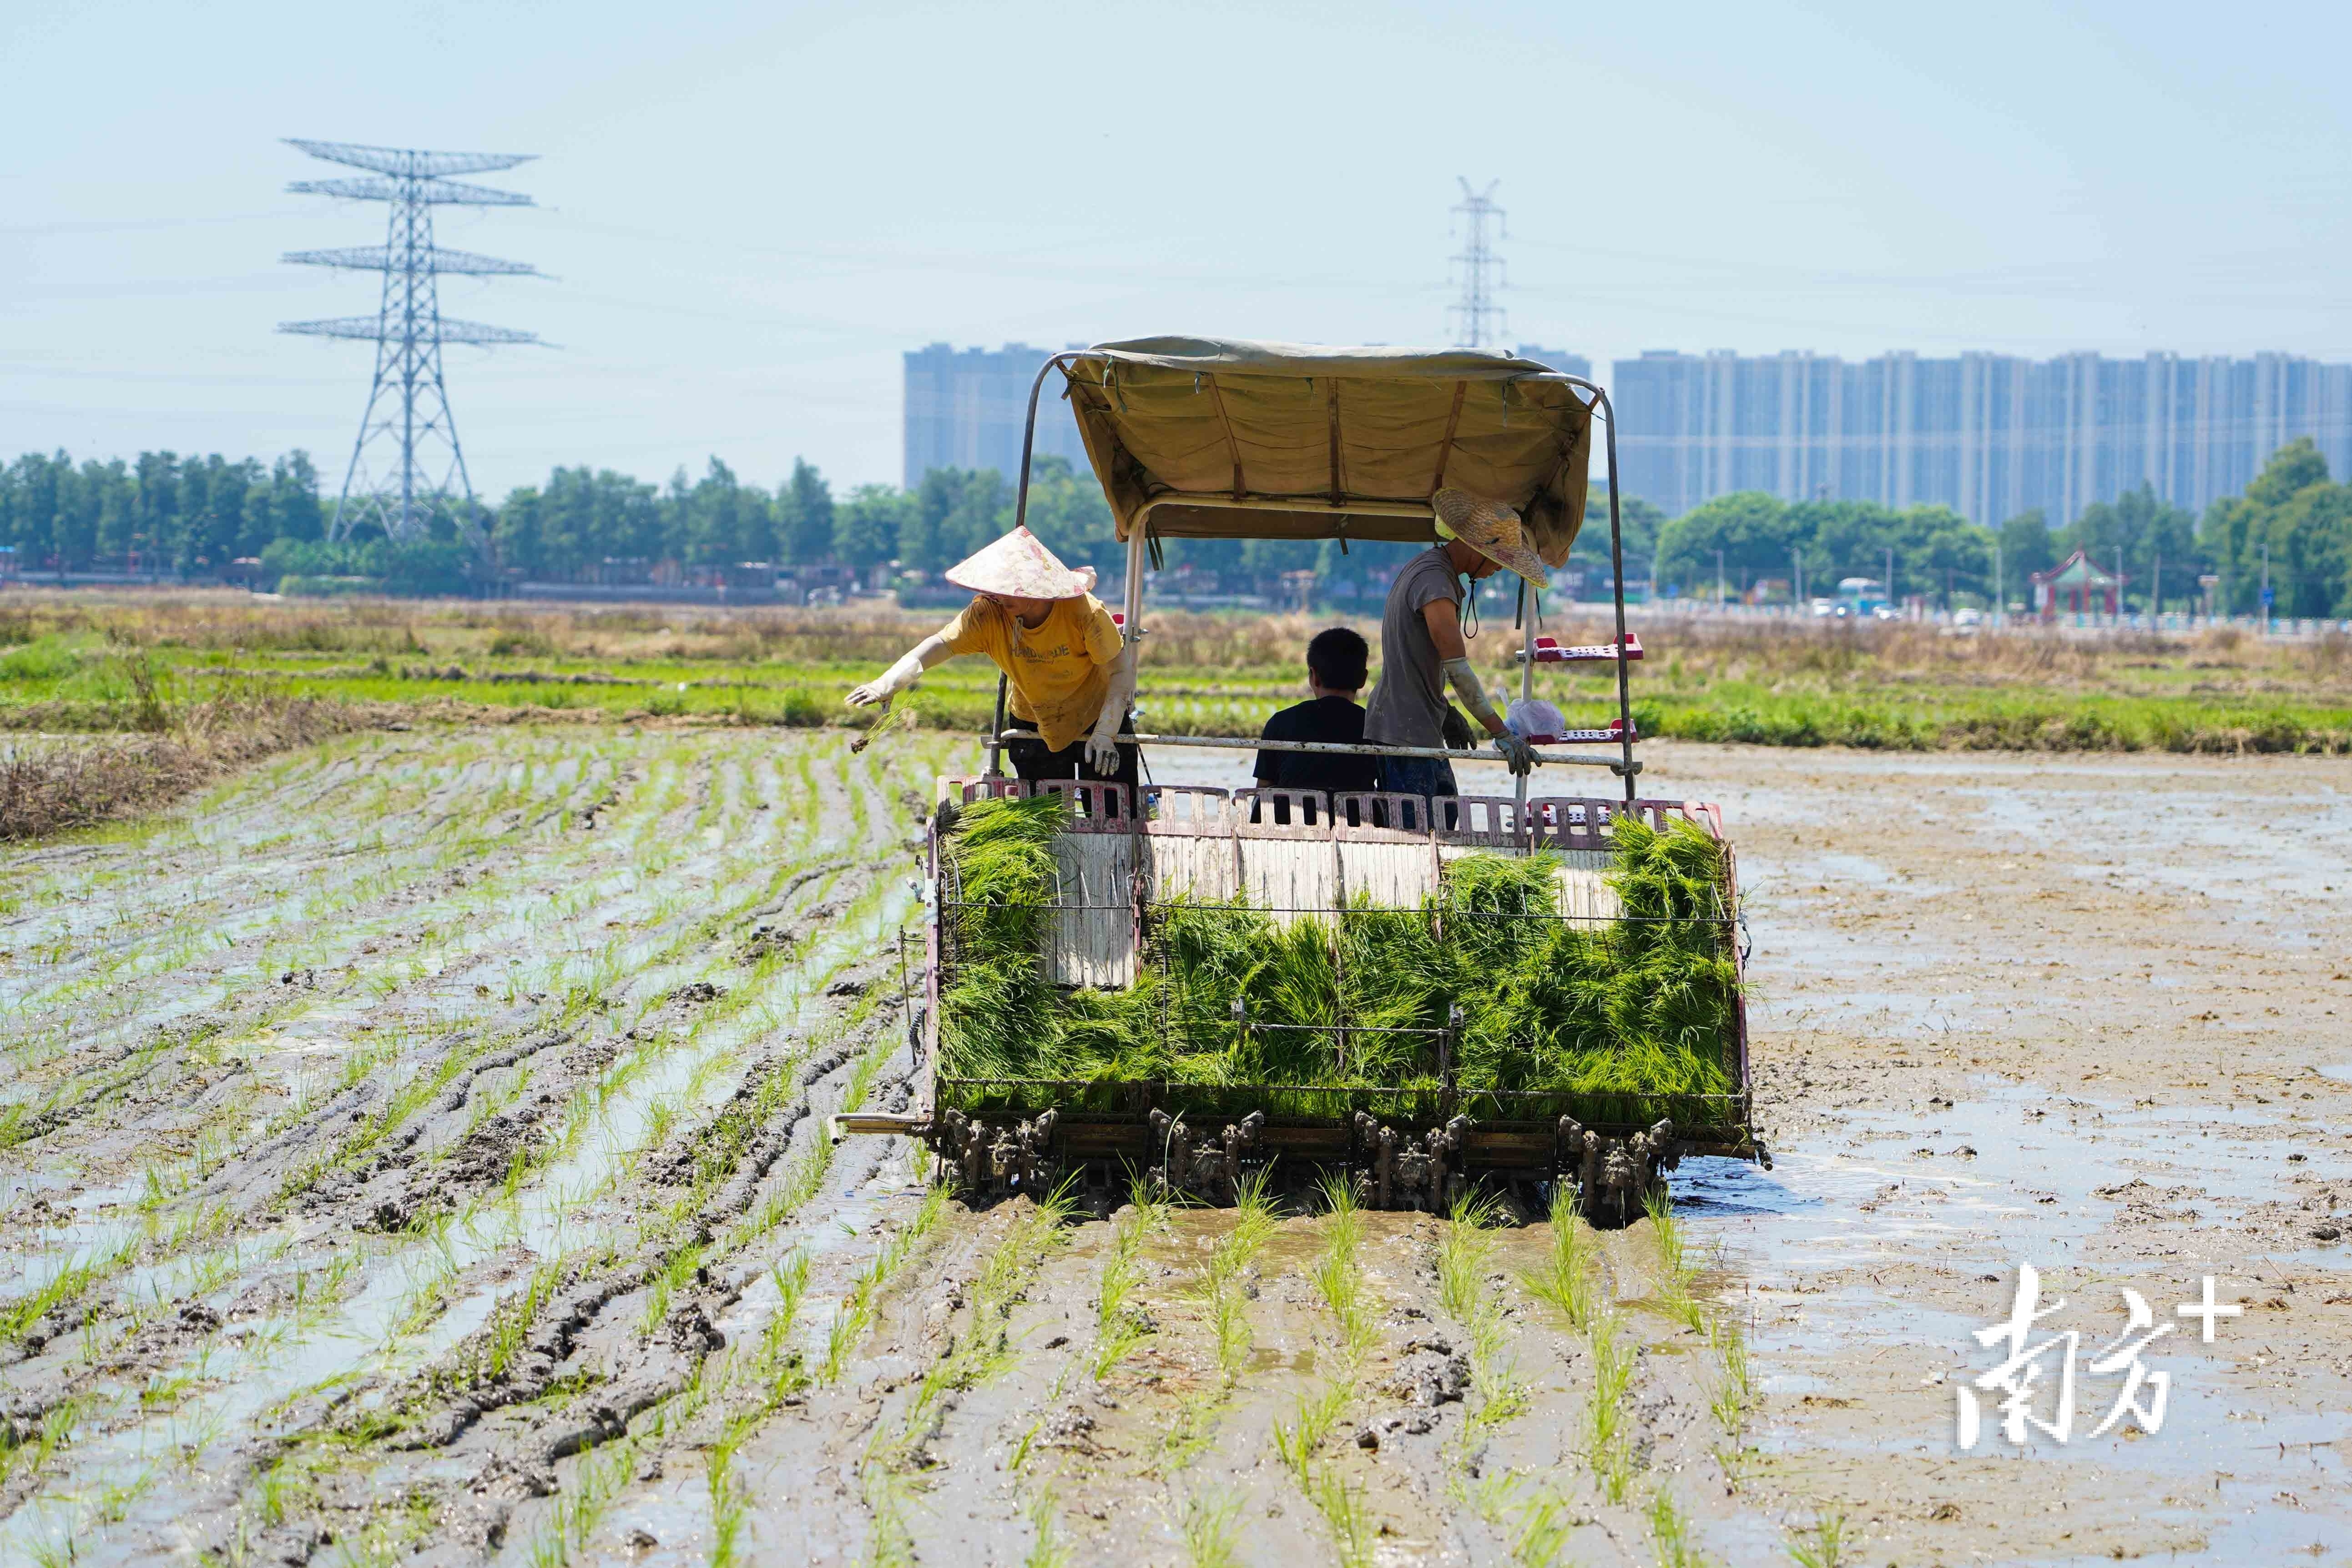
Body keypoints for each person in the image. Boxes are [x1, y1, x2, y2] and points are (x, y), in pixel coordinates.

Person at [845, 526, 1138, 799]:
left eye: (1005, 590)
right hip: (1034, 721)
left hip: (1100, 715)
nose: (995, 596)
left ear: (1033, 588)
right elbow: (940, 645)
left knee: (1115, 815)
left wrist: (1105, 733)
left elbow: (1121, 671)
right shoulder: (988, 614)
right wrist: (889, 682)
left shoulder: (1084, 613)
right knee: (1043, 821)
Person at [1362, 488, 1542, 818]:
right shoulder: (1435, 583)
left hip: (1416, 722)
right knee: (1418, 828)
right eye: (1500, 560)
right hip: (1404, 730)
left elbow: (1415, 663)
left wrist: (1444, 711)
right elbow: (1458, 669)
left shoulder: (1432, 570)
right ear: (1479, 550)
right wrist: (1501, 732)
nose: (1500, 569)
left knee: (1444, 814)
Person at [1252, 626, 1375, 823]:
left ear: (1314, 676)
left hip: (1289, 830)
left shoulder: (1280, 722)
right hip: (1357, 828)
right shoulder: (1376, 726)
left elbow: (1263, 789)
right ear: (1363, 679)